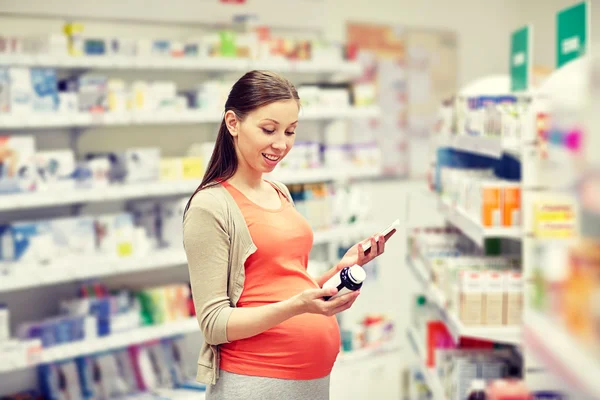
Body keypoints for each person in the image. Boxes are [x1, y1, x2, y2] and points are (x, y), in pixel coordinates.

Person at [183, 70, 387, 400]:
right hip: (257, 382)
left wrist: (340, 270)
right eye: (269, 129)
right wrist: (297, 307)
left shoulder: (278, 191)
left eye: (290, 131)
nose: (281, 144)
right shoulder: (210, 206)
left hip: (311, 382)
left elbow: (284, 284)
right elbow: (214, 323)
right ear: (233, 123)